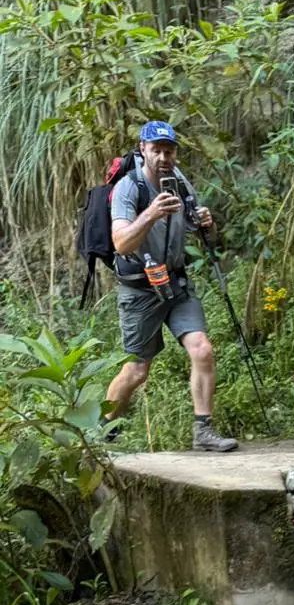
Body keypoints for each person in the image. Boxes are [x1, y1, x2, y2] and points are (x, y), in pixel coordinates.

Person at [103, 120, 238, 453]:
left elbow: (202, 232)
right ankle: (100, 434)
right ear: (142, 150)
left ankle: (203, 432)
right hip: (140, 289)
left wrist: (205, 223)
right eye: (157, 150)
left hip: (176, 283)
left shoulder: (179, 182)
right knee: (136, 371)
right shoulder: (128, 188)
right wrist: (149, 214)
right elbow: (120, 243)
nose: (164, 157)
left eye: (169, 150)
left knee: (202, 349)